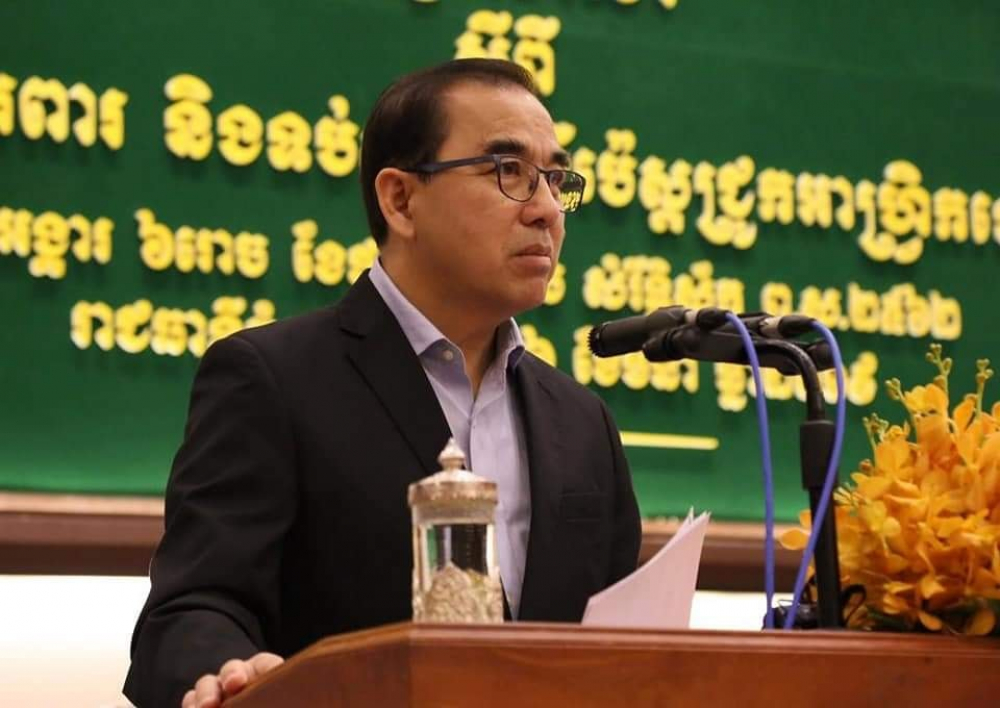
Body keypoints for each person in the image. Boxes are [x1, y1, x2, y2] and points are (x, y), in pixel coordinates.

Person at [124, 58, 641, 708]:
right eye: (508, 171)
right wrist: (228, 670)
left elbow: (623, 645)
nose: (546, 211)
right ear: (400, 199)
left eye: (555, 179)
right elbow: (191, 610)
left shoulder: (582, 422)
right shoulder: (273, 379)